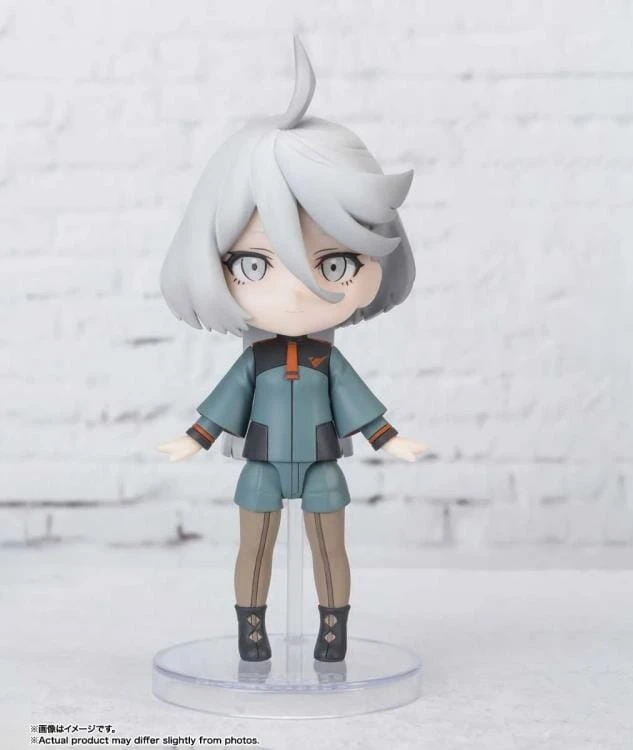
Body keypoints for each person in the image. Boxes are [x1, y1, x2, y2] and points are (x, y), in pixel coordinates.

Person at [157, 38, 426, 663]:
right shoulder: (256, 363)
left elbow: (361, 406)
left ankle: (333, 630)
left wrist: (390, 439)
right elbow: (224, 404)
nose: (300, 291)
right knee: (254, 547)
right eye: (254, 265)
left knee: (330, 548)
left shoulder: (330, 364)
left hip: (324, 463)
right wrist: (193, 439)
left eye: (334, 263)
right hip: (261, 463)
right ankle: (252, 630)